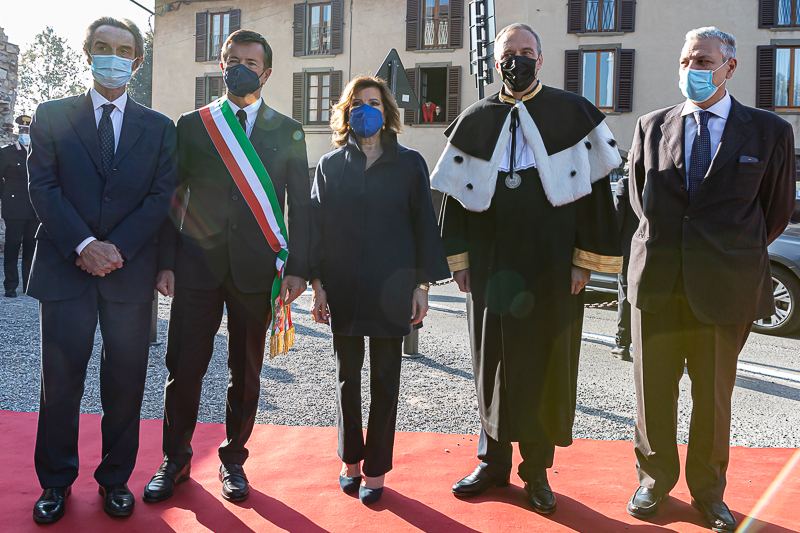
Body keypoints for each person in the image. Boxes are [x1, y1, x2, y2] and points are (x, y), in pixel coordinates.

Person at [433, 23, 623, 514]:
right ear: (495, 62)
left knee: (545, 364)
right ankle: (492, 463)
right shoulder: (475, 118)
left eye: (526, 52)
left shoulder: (573, 113)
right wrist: (458, 261)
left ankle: (536, 471)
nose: (516, 60)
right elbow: (454, 201)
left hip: (552, 262)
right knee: (491, 359)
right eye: (508, 54)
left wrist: (586, 261)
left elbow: (597, 197)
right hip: (491, 261)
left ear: (541, 59)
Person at [626, 27, 795, 531]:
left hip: (724, 287)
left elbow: (777, 210)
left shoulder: (769, 132)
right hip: (657, 284)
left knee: (712, 397)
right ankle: (653, 481)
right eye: (685, 61)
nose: (691, 69)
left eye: (702, 60)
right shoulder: (650, 126)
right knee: (652, 392)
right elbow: (639, 200)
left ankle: (709, 491)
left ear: (730, 67)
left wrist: (726, 250)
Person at [144, 29, 311, 504]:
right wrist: (166, 262)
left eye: (251, 62)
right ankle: (174, 459)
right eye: (232, 59)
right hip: (197, 267)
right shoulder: (194, 124)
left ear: (267, 72)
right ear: (220, 65)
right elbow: (174, 199)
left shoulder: (289, 130)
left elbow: (300, 204)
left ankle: (234, 459)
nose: (241, 67)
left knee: (246, 371)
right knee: (184, 367)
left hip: (257, 272)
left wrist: (297, 268)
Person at [26, 17, 176, 523]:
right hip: (66, 269)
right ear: (87, 52)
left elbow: (161, 198)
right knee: (60, 382)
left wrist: (117, 249)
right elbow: (42, 188)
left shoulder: (158, 127)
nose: (113, 56)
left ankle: (115, 480)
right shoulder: (51, 115)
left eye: (124, 49)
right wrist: (85, 244)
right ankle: (54, 482)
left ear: (137, 61)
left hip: (128, 274)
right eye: (102, 47)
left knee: (126, 382)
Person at [309, 75, 449, 505]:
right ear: (346, 112)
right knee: (347, 378)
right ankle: (350, 459)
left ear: (387, 111)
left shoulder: (410, 163)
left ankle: (376, 468)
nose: (365, 109)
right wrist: (318, 286)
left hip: (393, 287)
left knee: (386, 380)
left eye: (373, 102)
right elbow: (316, 230)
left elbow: (424, 226)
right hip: (344, 287)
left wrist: (422, 287)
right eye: (357, 103)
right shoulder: (330, 165)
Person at [1, 115, 38, 297]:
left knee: (31, 248)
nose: (25, 134)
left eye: (28, 131)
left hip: (34, 209)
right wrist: (5, 198)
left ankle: (29, 285)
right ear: (18, 132)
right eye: (22, 131)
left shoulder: (38, 153)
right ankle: (10, 285)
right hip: (14, 208)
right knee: (12, 246)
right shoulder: (7, 152)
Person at [611, 171, 639, 361]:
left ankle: (622, 344)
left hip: (629, 250)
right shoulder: (659, 180)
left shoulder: (625, 183)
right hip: (656, 248)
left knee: (626, 296)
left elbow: (617, 219)